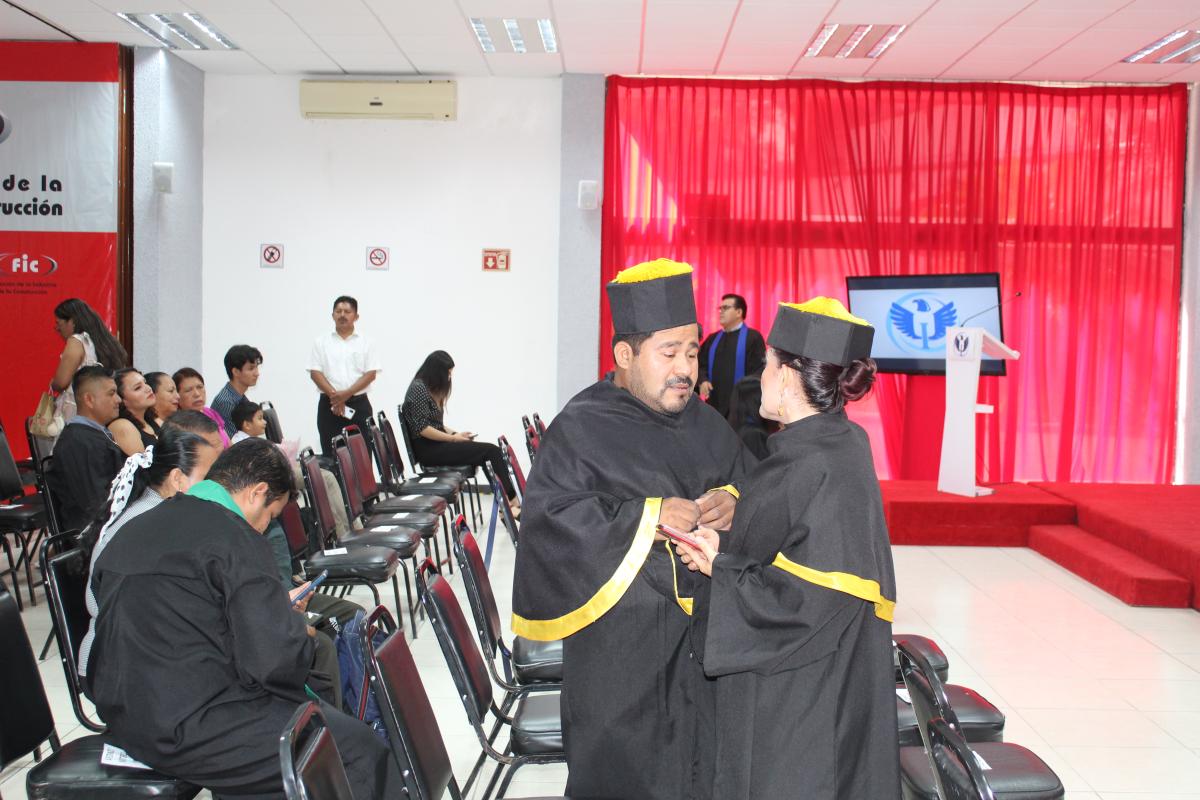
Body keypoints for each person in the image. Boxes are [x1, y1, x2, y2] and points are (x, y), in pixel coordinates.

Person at [511, 259, 755, 800]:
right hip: (621, 658)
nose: (685, 369)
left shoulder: (703, 420)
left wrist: (732, 501)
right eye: (669, 353)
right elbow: (550, 522)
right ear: (625, 355)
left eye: (692, 352)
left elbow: (748, 481)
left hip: (702, 654)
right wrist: (649, 516)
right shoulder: (581, 426)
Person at [674, 297, 900, 800]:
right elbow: (796, 550)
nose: (760, 376)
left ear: (789, 377)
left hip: (801, 692)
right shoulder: (836, 442)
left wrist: (720, 567)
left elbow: (808, 601)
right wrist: (722, 548)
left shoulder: (811, 461)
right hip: (818, 673)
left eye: (767, 364)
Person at [87, 439, 403, 797]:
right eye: (270, 516)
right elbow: (273, 662)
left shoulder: (135, 528)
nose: (264, 527)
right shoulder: (234, 538)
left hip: (124, 714)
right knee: (355, 750)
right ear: (257, 493)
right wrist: (294, 629)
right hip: (187, 726)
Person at [77, 424, 222, 679]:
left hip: (142, 650)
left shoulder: (164, 511)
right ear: (177, 479)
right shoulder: (149, 525)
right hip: (115, 665)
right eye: (209, 477)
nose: (218, 487)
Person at [403, 350, 519, 516]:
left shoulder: (425, 388)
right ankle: (511, 502)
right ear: (437, 371)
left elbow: (436, 425)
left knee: (486, 453)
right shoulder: (418, 389)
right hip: (429, 450)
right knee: (490, 451)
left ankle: (506, 503)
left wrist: (456, 435)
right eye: (448, 373)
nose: (449, 378)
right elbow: (423, 429)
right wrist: (453, 439)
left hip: (435, 446)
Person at [46, 366, 126, 532]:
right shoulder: (79, 443)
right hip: (95, 535)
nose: (118, 399)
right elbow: (94, 504)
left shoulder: (93, 435)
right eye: (111, 393)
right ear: (89, 400)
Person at [308, 296, 381, 456]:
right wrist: (335, 397)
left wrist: (346, 394)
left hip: (359, 406)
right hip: (329, 406)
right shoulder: (321, 342)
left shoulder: (367, 342)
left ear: (356, 316)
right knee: (332, 456)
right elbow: (315, 373)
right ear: (332, 315)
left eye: (347, 311)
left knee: (362, 455)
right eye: (338, 311)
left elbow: (370, 374)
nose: (342, 315)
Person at [50, 297, 128, 424]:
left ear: (72, 321)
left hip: (79, 411)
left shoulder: (76, 341)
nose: (57, 328)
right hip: (105, 409)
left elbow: (61, 382)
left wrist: (53, 383)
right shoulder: (103, 342)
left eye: (59, 323)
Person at [697, 293, 766, 419]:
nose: (721, 312)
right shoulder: (712, 339)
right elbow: (700, 364)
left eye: (726, 308)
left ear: (739, 312)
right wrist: (703, 380)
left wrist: (743, 390)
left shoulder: (753, 338)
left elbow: (759, 370)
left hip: (743, 408)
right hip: (714, 405)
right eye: (720, 308)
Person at [211, 344, 263, 437]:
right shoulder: (226, 402)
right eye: (251, 368)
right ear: (236, 372)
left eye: (256, 367)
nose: (257, 373)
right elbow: (237, 440)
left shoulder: (240, 397)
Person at [172, 367, 230, 448]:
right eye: (188, 390)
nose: (197, 394)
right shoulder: (177, 425)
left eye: (200, 387)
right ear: (177, 395)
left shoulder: (210, 413)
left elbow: (229, 444)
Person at [107, 368, 159, 455]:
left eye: (145, 382)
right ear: (121, 399)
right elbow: (142, 463)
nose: (148, 388)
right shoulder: (122, 426)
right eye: (138, 388)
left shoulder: (151, 420)